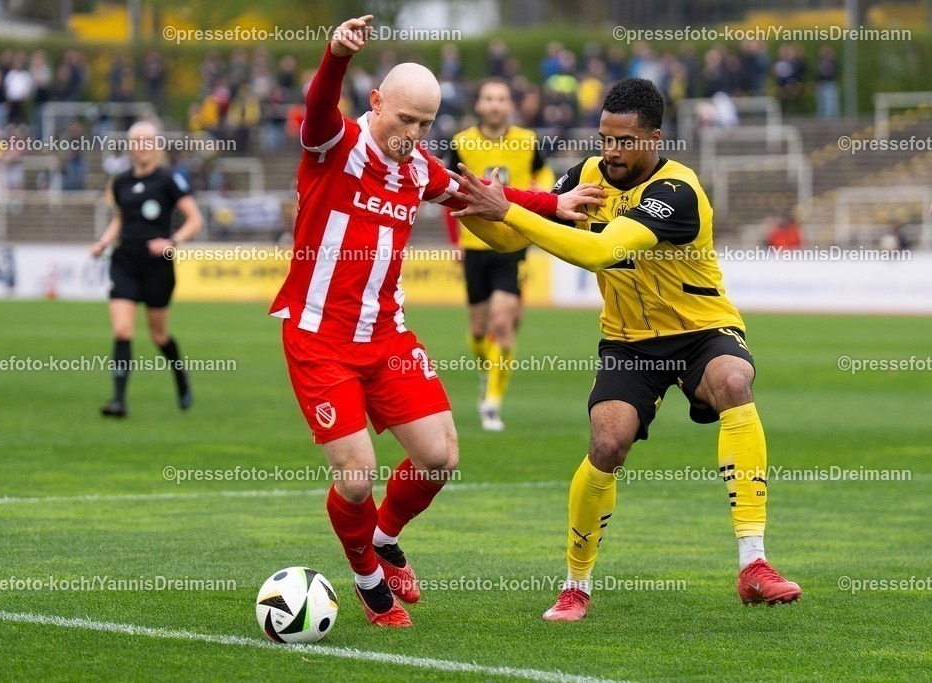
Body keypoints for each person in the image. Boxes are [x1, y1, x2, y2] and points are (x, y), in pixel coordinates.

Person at [271, 15, 597, 628]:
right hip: (319, 337)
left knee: (440, 457)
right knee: (357, 474)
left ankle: (388, 538)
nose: (414, 135)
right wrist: (335, 55)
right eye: (405, 121)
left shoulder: (417, 167)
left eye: (425, 124)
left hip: (387, 335)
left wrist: (557, 202)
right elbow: (317, 106)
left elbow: (479, 196)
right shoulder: (334, 143)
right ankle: (369, 581)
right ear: (375, 103)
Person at [449, 77, 802, 621]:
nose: (610, 152)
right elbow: (514, 237)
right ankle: (576, 585)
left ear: (654, 139)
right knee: (607, 444)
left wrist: (511, 211)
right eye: (604, 138)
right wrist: (477, 209)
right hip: (628, 342)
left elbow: (600, 252)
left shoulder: (676, 192)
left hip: (700, 332)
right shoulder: (588, 174)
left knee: (733, 381)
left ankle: (753, 564)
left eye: (624, 141)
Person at [444, 78, 555, 431]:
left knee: (503, 323)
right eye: (488, 98)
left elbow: (545, 175)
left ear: (510, 105)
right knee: (479, 330)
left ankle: (491, 403)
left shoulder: (529, 140)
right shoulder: (461, 143)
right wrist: (454, 243)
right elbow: (446, 192)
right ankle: (487, 372)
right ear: (479, 105)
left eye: (501, 99)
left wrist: (542, 191)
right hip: (475, 244)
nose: (494, 104)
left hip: (512, 243)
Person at [89, 120, 204, 418]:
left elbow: (195, 219)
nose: (142, 146)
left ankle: (181, 378)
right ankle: (118, 400)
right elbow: (120, 218)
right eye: (136, 140)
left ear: (156, 146)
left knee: (158, 336)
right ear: (129, 147)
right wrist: (103, 242)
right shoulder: (120, 181)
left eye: (147, 140)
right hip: (125, 260)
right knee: (122, 330)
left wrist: (171, 241)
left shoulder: (168, 179)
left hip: (157, 266)